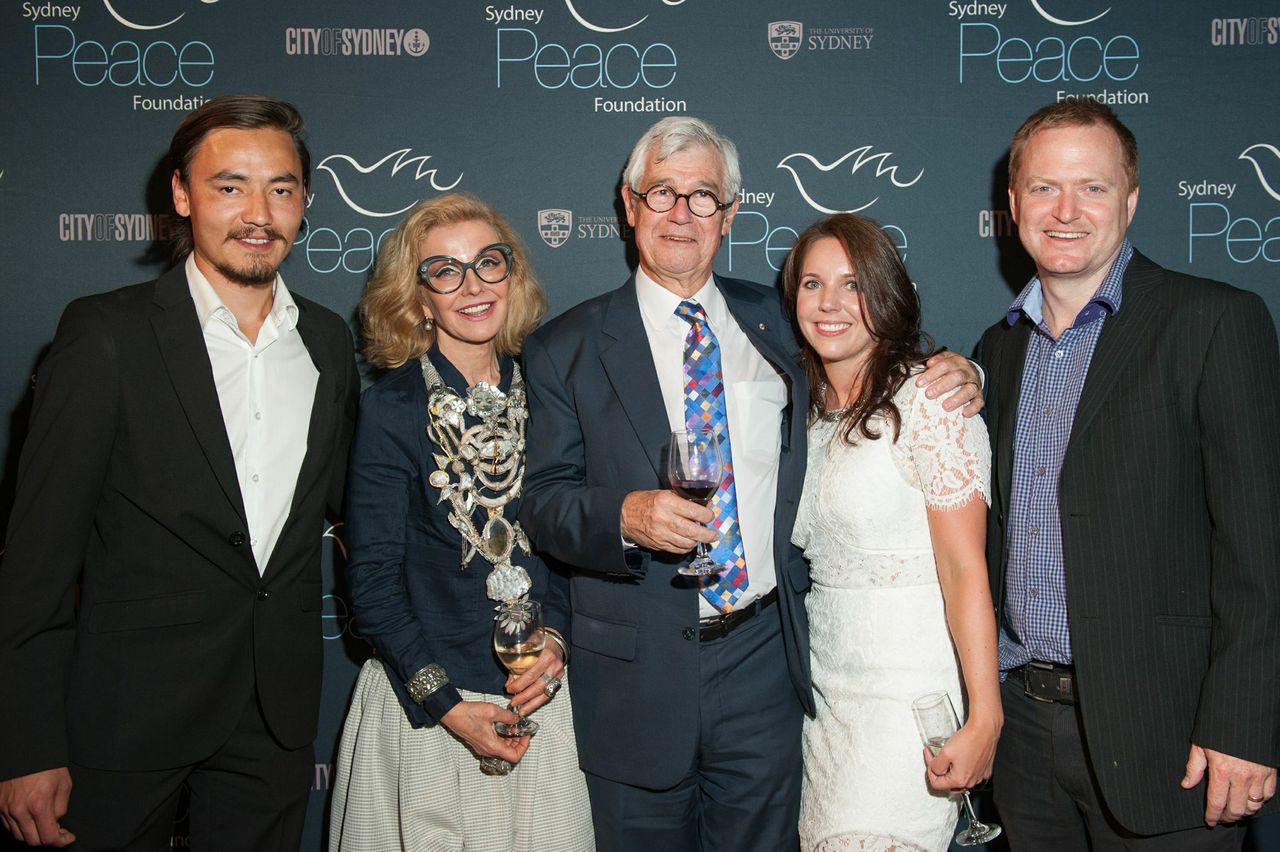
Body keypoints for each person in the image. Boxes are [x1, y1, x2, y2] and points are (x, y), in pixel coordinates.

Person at [518, 115, 982, 852]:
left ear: (730, 213)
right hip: (635, 678)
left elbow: (869, 360)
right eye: (662, 192)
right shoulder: (562, 349)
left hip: (765, 663)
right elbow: (542, 503)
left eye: (703, 196)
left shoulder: (780, 322)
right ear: (629, 205)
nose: (681, 213)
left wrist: (961, 369)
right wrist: (625, 516)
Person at [0, 95, 359, 850]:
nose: (258, 213)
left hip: (274, 714)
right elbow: (37, 560)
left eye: (281, 188)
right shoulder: (105, 335)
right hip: (125, 712)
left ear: (304, 201)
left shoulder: (328, 342)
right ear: (182, 195)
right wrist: (27, 744)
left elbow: (351, 511)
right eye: (230, 186)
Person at [976, 100, 1280, 849]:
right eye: (1044, 187)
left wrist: (1244, 724)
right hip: (1024, 738)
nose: (1066, 211)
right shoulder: (997, 351)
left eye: (1094, 187)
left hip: (1172, 739)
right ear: (1013, 204)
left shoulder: (1213, 321)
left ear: (1132, 199)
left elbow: (1262, 550)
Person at [328, 193, 594, 851]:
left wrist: (557, 642)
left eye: (488, 263)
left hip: (540, 703)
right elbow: (373, 585)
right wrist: (446, 706)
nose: (473, 286)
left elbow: (570, 547)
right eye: (445, 271)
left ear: (512, 274)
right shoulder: (392, 408)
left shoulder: (552, 393)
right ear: (420, 298)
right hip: (430, 715)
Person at [785, 214, 1001, 851]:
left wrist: (985, 714)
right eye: (812, 283)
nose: (829, 303)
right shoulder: (803, 415)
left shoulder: (933, 402)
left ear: (885, 293)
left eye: (853, 285)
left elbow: (965, 570)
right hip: (826, 703)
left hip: (909, 705)